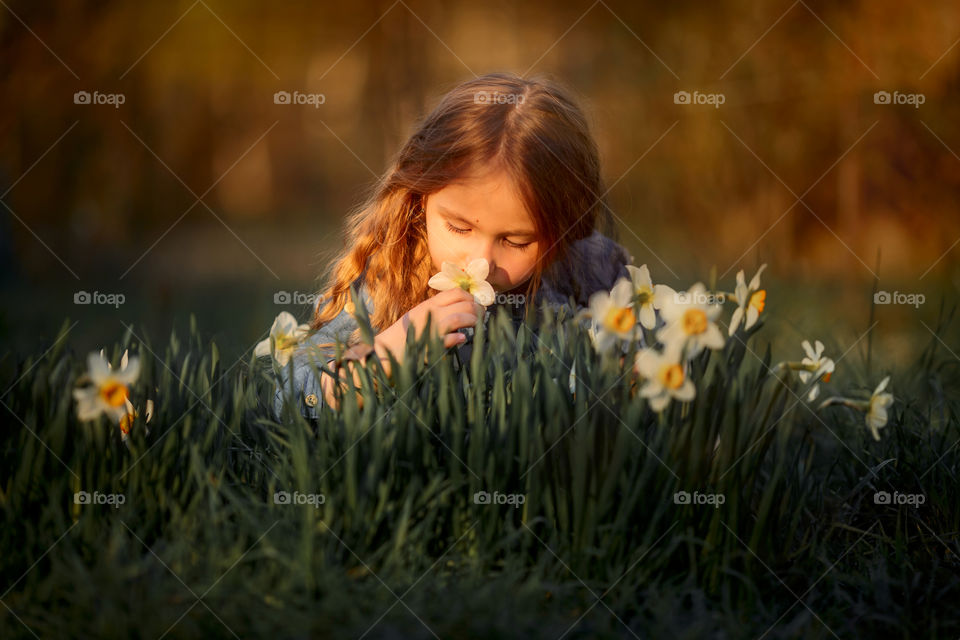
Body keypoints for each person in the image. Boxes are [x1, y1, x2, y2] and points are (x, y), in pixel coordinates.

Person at [269, 72, 632, 419]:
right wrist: (387, 354)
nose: (482, 261)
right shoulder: (389, 281)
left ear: (563, 230)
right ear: (420, 198)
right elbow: (289, 395)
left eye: (516, 240)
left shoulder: (587, 268)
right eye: (459, 228)